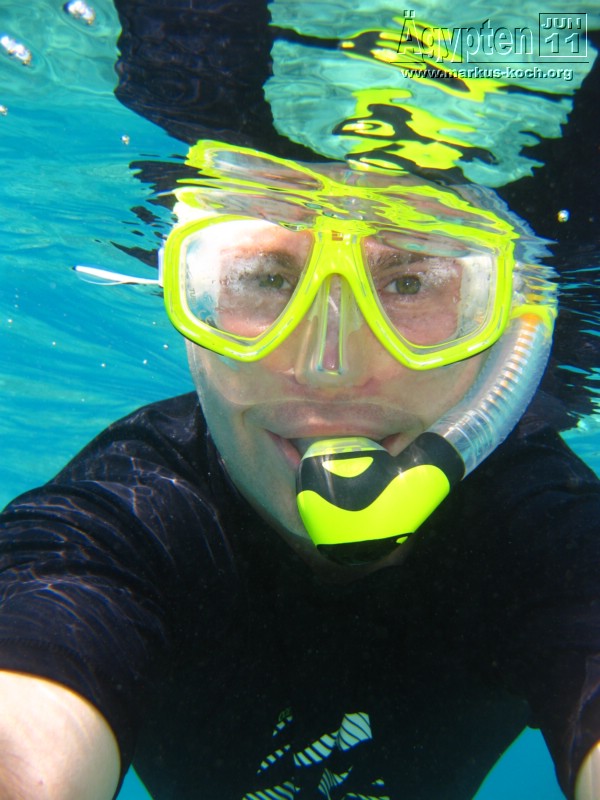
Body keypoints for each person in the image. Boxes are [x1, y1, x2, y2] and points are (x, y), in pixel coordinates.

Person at [1, 3, 600, 800]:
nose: (330, 370)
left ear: (510, 325)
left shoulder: (545, 528)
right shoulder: (130, 514)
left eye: (411, 281)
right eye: (265, 277)